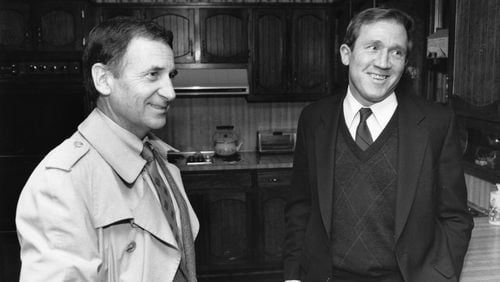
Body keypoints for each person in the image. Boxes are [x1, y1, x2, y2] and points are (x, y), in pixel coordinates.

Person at [283, 7, 473, 282]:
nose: (384, 62)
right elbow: (300, 208)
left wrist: (439, 276)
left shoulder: (436, 123)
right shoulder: (314, 119)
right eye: (373, 47)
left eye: (396, 52)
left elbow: (456, 217)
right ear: (346, 54)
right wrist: (292, 276)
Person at [16, 17, 199, 281]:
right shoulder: (60, 182)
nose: (170, 92)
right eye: (152, 75)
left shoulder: (158, 159)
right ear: (103, 79)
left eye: (170, 76)